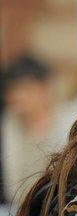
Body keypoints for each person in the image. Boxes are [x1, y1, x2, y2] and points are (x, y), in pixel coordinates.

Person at [1, 55, 59, 206]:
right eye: (12, 90)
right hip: (18, 214)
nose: (17, 96)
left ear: (44, 88)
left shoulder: (66, 121)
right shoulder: (8, 124)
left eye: (25, 89)